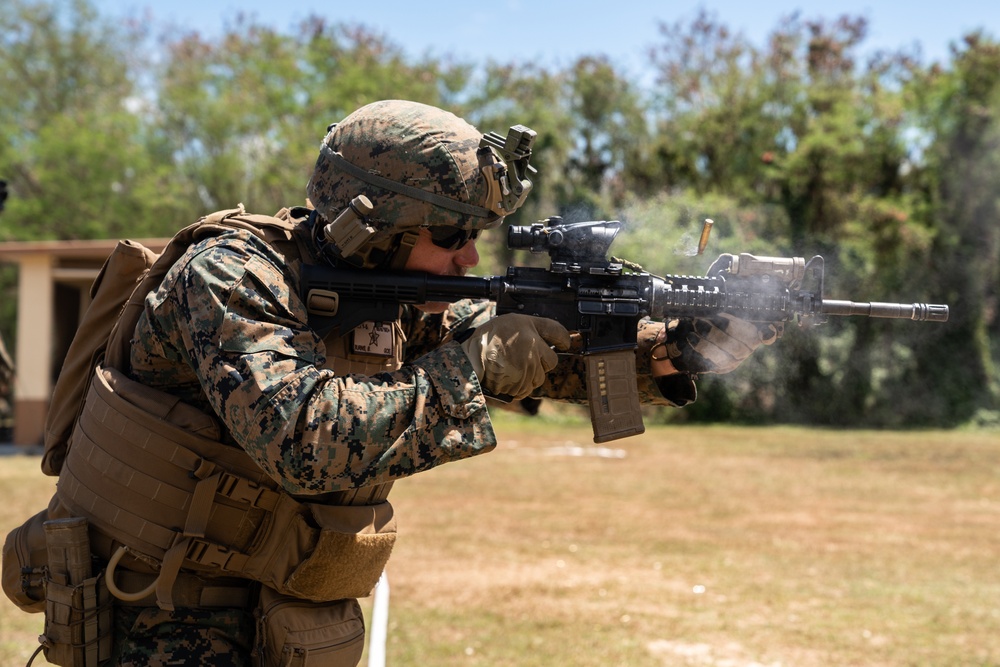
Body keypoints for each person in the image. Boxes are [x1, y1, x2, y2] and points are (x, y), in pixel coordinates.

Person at [5, 100, 780, 666]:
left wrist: (685, 345)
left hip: (271, 620)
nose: (467, 263)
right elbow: (304, 440)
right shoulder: (229, 275)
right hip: (154, 623)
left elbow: (551, 361)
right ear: (373, 226)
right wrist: (478, 364)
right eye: (450, 237)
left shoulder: (395, 294)